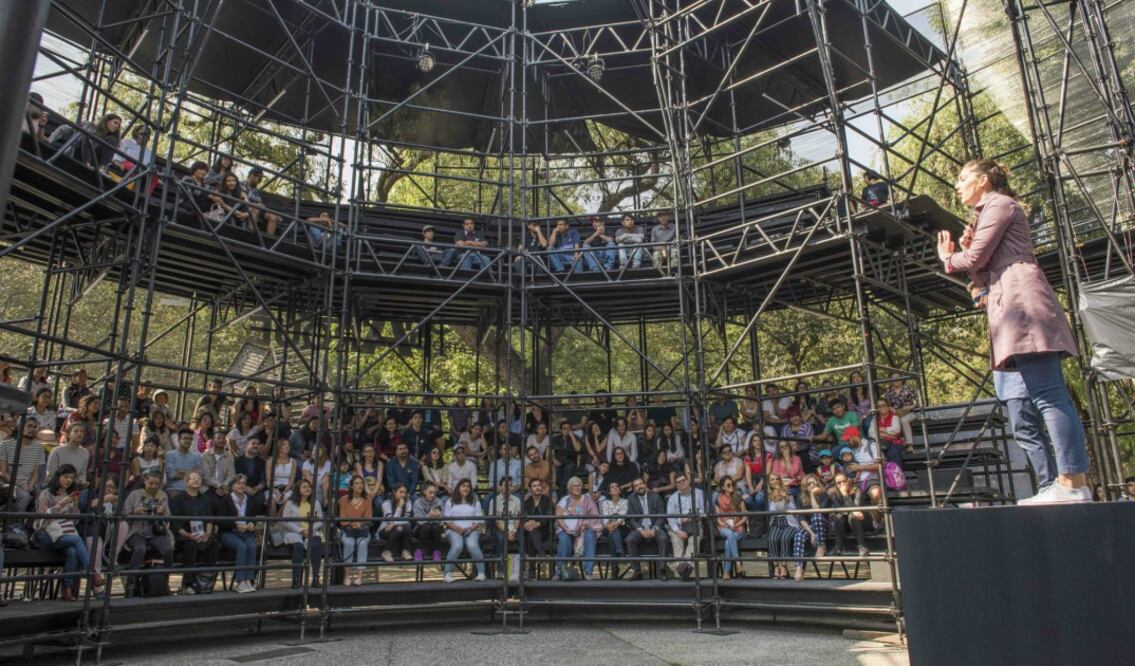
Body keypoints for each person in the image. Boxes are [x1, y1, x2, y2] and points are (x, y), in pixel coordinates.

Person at [940, 162, 1090, 504]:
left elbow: (975, 258)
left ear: (983, 180)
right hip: (1011, 304)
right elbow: (980, 272)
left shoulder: (999, 204)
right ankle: (1067, 482)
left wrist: (950, 258)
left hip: (1023, 303)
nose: (958, 186)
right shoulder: (987, 212)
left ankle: (1071, 482)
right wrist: (967, 253)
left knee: (1049, 395)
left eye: (962, 179)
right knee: (1044, 395)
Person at [35, 465, 101, 601]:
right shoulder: (46, 494)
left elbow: (75, 522)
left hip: (65, 533)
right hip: (46, 535)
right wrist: (61, 504)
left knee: (72, 551)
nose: (69, 480)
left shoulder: (71, 495)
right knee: (76, 540)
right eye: (66, 477)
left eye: (71, 477)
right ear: (58, 477)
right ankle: (92, 573)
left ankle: (67, 589)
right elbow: (42, 518)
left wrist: (75, 507)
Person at [122, 470, 175, 597]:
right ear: (145, 481)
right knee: (140, 548)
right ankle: (131, 585)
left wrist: (162, 512)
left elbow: (169, 516)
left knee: (168, 549)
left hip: (155, 532)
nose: (154, 486)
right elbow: (124, 513)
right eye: (151, 483)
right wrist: (136, 512)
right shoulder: (135, 494)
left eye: (157, 484)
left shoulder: (162, 495)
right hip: (137, 531)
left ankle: (164, 582)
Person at [170, 470, 220, 594]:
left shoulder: (205, 498)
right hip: (185, 535)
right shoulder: (178, 498)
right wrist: (186, 534)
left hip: (202, 534)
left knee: (213, 544)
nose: (196, 480)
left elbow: (209, 518)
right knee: (190, 546)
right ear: (186, 482)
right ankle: (188, 584)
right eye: (192, 478)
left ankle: (205, 581)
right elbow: (174, 522)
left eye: (198, 478)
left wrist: (208, 533)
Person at [766, 475, 816, 582]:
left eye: (777, 479)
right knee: (772, 539)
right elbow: (773, 511)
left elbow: (793, 510)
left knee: (785, 538)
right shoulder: (767, 496)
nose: (775, 481)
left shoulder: (788, 493)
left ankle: (783, 566)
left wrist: (786, 500)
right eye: (772, 480)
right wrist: (774, 499)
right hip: (776, 522)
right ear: (769, 483)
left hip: (789, 522)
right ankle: (776, 566)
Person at [553, 477, 603, 580]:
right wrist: (566, 529)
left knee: (590, 535)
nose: (577, 487)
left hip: (584, 530)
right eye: (574, 486)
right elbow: (558, 516)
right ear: (569, 488)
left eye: (579, 485)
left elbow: (595, 516)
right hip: (566, 530)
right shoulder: (565, 500)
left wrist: (584, 525)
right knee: (564, 539)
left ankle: (588, 571)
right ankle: (559, 572)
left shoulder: (587, 499)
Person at [219, 475, 259, 593]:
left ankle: (249, 579)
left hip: (246, 532)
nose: (241, 485)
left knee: (251, 546)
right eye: (238, 483)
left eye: (243, 483)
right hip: (229, 532)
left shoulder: (250, 500)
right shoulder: (226, 500)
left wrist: (251, 523)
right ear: (232, 486)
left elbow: (253, 516)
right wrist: (235, 525)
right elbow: (221, 520)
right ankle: (240, 581)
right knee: (242, 547)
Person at [443, 478, 486, 582]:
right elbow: (446, 520)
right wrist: (456, 528)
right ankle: (447, 574)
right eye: (463, 486)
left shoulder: (475, 501)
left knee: (472, 545)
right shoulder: (450, 501)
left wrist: (471, 528)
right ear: (458, 487)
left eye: (468, 486)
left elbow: (479, 519)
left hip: (471, 530)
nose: (466, 488)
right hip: (454, 529)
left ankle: (481, 573)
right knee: (458, 546)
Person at [282, 478, 323, 588]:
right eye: (304, 487)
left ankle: (315, 578)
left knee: (316, 545)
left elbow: (320, 520)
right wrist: (300, 530)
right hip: (294, 532)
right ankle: (295, 579)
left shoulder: (316, 502)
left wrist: (310, 529)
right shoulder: (290, 503)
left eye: (309, 487)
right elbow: (286, 521)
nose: (307, 489)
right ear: (298, 489)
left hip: (311, 531)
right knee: (298, 547)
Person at [624, 477, 668, 580]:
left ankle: (662, 569)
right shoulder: (630, 499)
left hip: (654, 526)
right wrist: (640, 530)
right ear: (634, 488)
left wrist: (655, 528)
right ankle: (637, 571)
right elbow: (631, 519)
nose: (640, 486)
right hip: (640, 528)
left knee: (663, 538)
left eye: (641, 484)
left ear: (645, 484)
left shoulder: (655, 496)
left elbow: (661, 514)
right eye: (636, 485)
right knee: (630, 539)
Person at [665, 473, 705, 580]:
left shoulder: (699, 493)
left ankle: (683, 568)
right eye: (679, 482)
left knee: (694, 542)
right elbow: (670, 518)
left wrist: (693, 516)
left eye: (683, 480)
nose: (682, 483)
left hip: (695, 524)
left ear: (688, 481)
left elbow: (705, 511)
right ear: (676, 485)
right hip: (679, 527)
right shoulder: (672, 498)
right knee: (676, 541)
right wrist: (678, 530)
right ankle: (685, 570)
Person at [0, 418, 45, 511]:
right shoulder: (5, 445)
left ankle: (35, 523)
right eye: (29, 426)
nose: (32, 429)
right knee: (25, 496)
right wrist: (21, 485)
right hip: (9, 483)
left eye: (35, 427)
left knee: (43, 497)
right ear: (20, 427)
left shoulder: (39, 448)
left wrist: (30, 486)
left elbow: (35, 473)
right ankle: (15, 522)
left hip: (28, 484)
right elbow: (4, 473)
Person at [339, 475, 373, 585]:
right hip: (348, 530)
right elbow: (342, 519)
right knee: (349, 543)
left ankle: (359, 577)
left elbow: (368, 517)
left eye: (361, 483)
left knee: (362, 544)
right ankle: (347, 575)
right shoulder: (344, 499)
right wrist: (352, 523)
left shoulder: (368, 499)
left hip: (362, 530)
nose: (360, 485)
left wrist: (360, 523)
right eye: (357, 483)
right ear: (352, 486)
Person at [828, 473, 870, 557]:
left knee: (852, 515)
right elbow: (840, 510)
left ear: (848, 481)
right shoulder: (834, 493)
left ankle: (861, 546)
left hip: (861, 522)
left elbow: (856, 509)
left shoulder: (857, 490)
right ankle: (838, 546)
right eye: (838, 483)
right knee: (838, 516)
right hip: (844, 524)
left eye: (844, 481)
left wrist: (845, 495)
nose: (842, 484)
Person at [715, 478, 747, 579]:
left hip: (738, 527)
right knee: (729, 534)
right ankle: (737, 562)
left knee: (728, 542)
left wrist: (737, 525)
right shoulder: (718, 500)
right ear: (723, 488)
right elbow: (717, 518)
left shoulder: (738, 497)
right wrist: (723, 524)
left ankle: (726, 572)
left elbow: (745, 516)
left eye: (732, 484)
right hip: (724, 527)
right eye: (728, 485)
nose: (731, 486)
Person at [521, 478, 554, 574]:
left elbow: (549, 516)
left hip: (544, 531)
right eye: (534, 486)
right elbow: (523, 517)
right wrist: (526, 524)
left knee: (531, 536)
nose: (537, 488)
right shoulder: (526, 502)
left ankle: (531, 571)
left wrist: (538, 523)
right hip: (529, 529)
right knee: (532, 533)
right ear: (530, 489)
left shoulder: (547, 501)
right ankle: (541, 552)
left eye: (539, 485)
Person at [600, 481, 630, 578]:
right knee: (612, 533)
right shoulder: (605, 503)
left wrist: (614, 524)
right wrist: (609, 526)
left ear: (620, 490)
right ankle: (620, 550)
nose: (615, 488)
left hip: (622, 528)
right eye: (612, 487)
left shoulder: (625, 501)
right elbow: (605, 518)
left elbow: (622, 516)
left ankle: (614, 568)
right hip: (609, 528)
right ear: (609, 492)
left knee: (611, 534)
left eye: (617, 486)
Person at [47, 422, 91, 487]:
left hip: (74, 486)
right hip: (55, 485)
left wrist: (82, 482)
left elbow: (82, 474)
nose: (79, 433)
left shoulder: (85, 452)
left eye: (82, 432)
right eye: (76, 431)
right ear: (68, 435)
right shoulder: (57, 451)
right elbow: (51, 473)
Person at [411, 482, 446, 562]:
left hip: (435, 529)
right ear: (424, 491)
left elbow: (441, 519)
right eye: (430, 492)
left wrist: (436, 518)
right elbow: (419, 521)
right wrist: (429, 516)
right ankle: (420, 551)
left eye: (434, 493)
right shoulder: (417, 503)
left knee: (435, 526)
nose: (433, 495)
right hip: (420, 529)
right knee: (426, 526)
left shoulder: (438, 501)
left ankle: (436, 552)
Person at [490, 477, 523, 563]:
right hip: (500, 528)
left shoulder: (517, 500)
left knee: (522, 539)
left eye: (510, 485)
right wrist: (508, 532)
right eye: (505, 485)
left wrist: (514, 530)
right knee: (501, 539)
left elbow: (517, 518)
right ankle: (501, 567)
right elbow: (496, 521)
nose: (508, 487)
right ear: (500, 487)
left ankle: (519, 568)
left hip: (514, 528)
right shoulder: (494, 501)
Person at [379, 483, 413, 562]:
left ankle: (405, 551)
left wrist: (394, 524)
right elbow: (391, 520)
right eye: (401, 492)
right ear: (394, 492)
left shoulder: (408, 503)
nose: (403, 495)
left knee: (404, 527)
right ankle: (386, 552)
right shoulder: (386, 504)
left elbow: (406, 520)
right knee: (400, 528)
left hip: (401, 530)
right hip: (385, 530)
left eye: (405, 492)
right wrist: (399, 507)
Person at [165, 427, 203, 494]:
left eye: (190, 439)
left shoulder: (196, 456)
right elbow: (172, 474)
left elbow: (199, 475)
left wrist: (180, 471)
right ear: (179, 440)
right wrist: (191, 473)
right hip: (174, 489)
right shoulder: (170, 455)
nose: (188, 441)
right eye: (185, 438)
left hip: (192, 490)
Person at [870, 399, 907, 466]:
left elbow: (896, 430)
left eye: (884, 405)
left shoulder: (894, 416)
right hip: (880, 443)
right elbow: (871, 433)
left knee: (893, 452)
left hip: (895, 443)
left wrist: (880, 430)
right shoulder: (874, 419)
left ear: (888, 406)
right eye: (879, 406)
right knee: (876, 453)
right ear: (877, 408)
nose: (881, 408)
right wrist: (890, 435)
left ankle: (896, 474)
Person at [244, 167, 280, 235]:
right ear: (251, 175)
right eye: (258, 177)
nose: (259, 179)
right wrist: (257, 205)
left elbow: (261, 205)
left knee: (273, 217)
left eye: (260, 178)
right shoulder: (241, 184)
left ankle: (268, 242)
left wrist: (271, 213)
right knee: (255, 210)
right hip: (246, 208)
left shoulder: (257, 191)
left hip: (259, 210)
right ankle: (249, 235)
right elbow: (240, 199)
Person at [235, 439, 267, 511]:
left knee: (260, 499)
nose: (256, 445)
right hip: (240, 488)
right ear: (246, 445)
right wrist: (245, 488)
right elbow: (235, 477)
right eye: (253, 443)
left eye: (258, 444)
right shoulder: (237, 461)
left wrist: (257, 488)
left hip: (256, 490)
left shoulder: (262, 462)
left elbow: (263, 480)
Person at [267, 438, 298, 515]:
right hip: (273, 487)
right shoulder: (271, 461)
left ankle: (278, 519)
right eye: (284, 445)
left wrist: (285, 490)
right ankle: (271, 522)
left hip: (287, 487)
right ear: (279, 447)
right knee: (271, 501)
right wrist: (275, 490)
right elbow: (268, 479)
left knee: (289, 500)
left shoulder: (293, 461)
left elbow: (292, 478)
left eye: (288, 445)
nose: (287, 446)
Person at [202, 431, 236, 500]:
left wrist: (225, 485)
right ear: (213, 440)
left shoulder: (229, 456)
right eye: (219, 438)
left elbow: (231, 475)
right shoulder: (205, 456)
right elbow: (206, 477)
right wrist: (219, 486)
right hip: (208, 487)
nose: (221, 440)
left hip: (225, 487)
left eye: (223, 438)